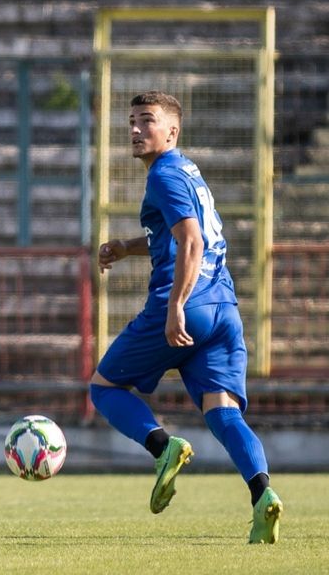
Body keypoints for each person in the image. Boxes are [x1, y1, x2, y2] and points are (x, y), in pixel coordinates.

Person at [92, 91, 283, 543]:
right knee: (224, 413)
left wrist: (176, 304)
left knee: (103, 387)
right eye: (132, 122)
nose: (136, 130)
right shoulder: (188, 172)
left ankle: (163, 446)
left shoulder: (163, 175)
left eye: (148, 122)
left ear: (172, 131)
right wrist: (126, 247)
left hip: (185, 306)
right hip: (223, 311)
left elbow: (192, 241)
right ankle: (263, 496)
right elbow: (173, 235)